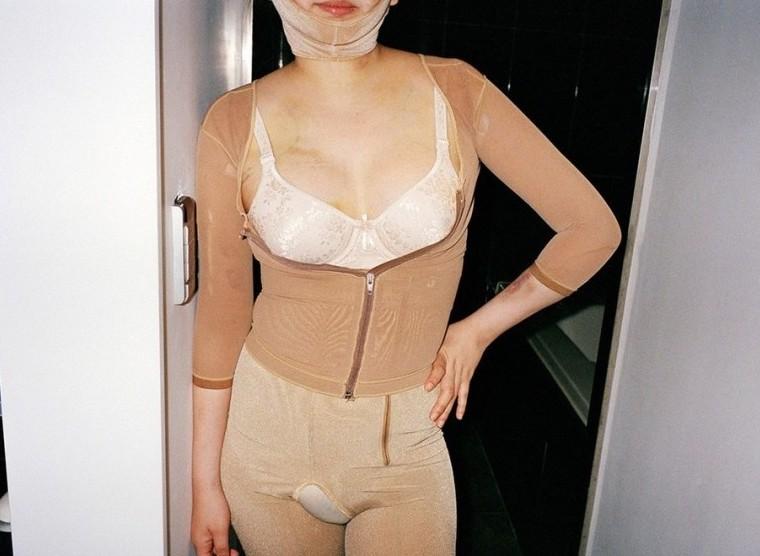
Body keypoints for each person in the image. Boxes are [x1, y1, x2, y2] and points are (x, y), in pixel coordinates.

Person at [190, 0, 622, 554]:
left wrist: (477, 331)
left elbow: (592, 231)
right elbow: (223, 312)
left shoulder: (457, 91)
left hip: (407, 448)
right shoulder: (233, 119)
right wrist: (204, 484)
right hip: (265, 442)